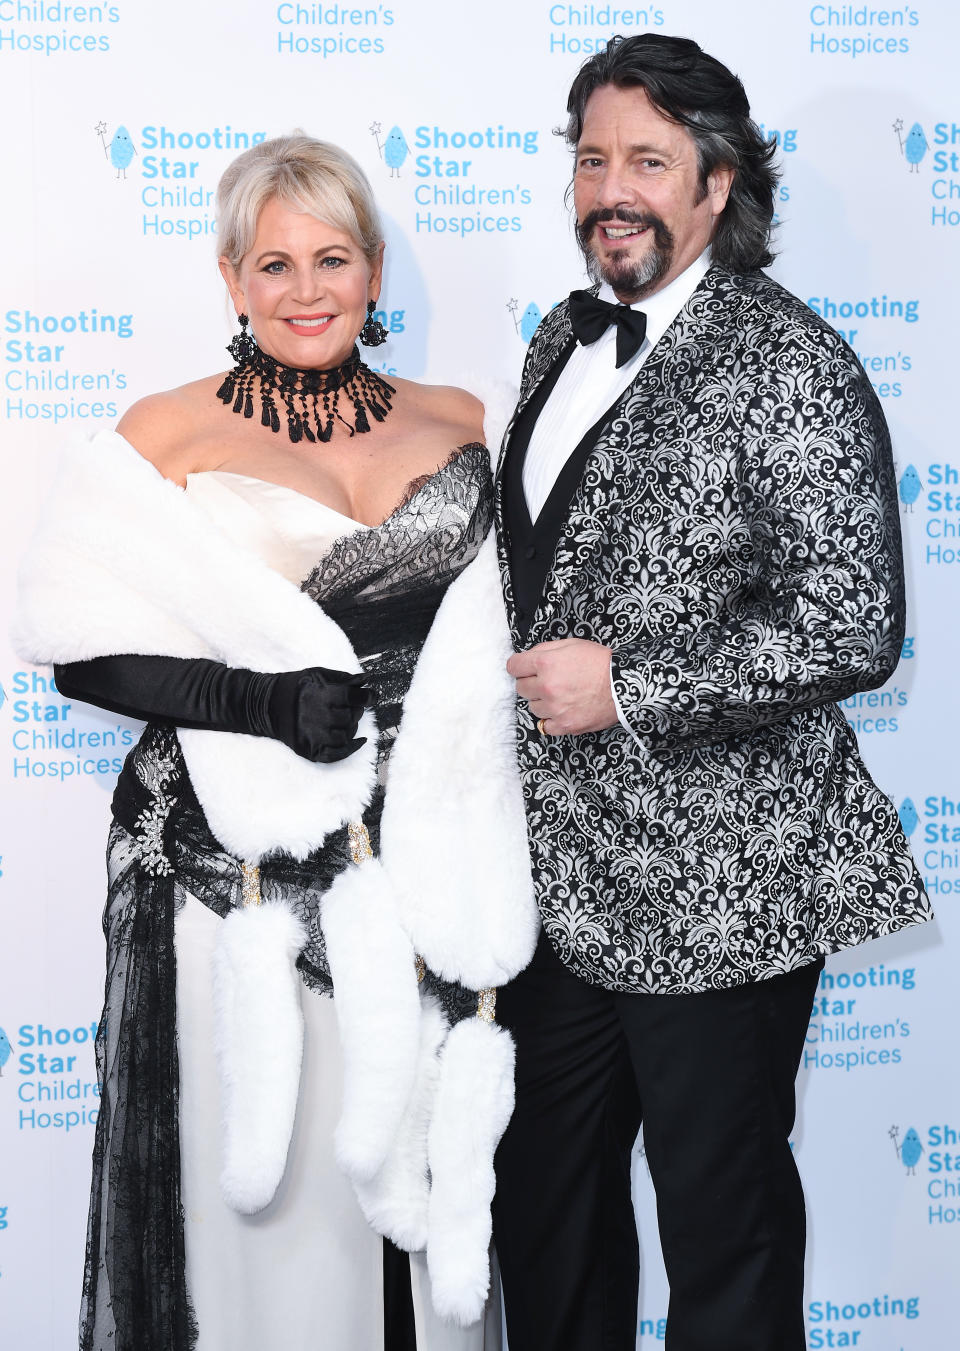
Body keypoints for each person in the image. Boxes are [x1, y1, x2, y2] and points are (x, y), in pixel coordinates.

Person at [14, 133, 538, 1351]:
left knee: (419, 1199)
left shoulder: (465, 419)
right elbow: (75, 644)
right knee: (282, 1211)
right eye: (275, 263)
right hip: (238, 881)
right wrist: (266, 705)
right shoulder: (166, 434)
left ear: (374, 271)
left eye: (334, 259)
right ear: (231, 279)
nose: (308, 290)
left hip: (426, 875)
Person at [491, 33, 932, 1351]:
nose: (610, 188)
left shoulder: (792, 361)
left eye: (647, 160)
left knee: (721, 1232)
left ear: (717, 182)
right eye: (590, 158)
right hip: (555, 884)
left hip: (721, 887)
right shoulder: (553, 341)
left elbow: (856, 628)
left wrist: (629, 686)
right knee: (547, 1211)